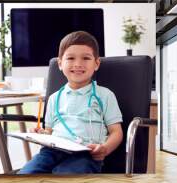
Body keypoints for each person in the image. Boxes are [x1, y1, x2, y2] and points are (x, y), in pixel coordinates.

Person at [18, 31, 123, 174]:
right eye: (71, 58)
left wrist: (105, 148)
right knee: (27, 173)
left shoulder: (105, 95)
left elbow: (116, 132)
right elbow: (49, 131)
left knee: (66, 176)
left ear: (96, 63)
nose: (78, 64)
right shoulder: (54, 98)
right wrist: (41, 133)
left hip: (85, 154)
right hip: (51, 151)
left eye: (86, 58)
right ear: (60, 64)